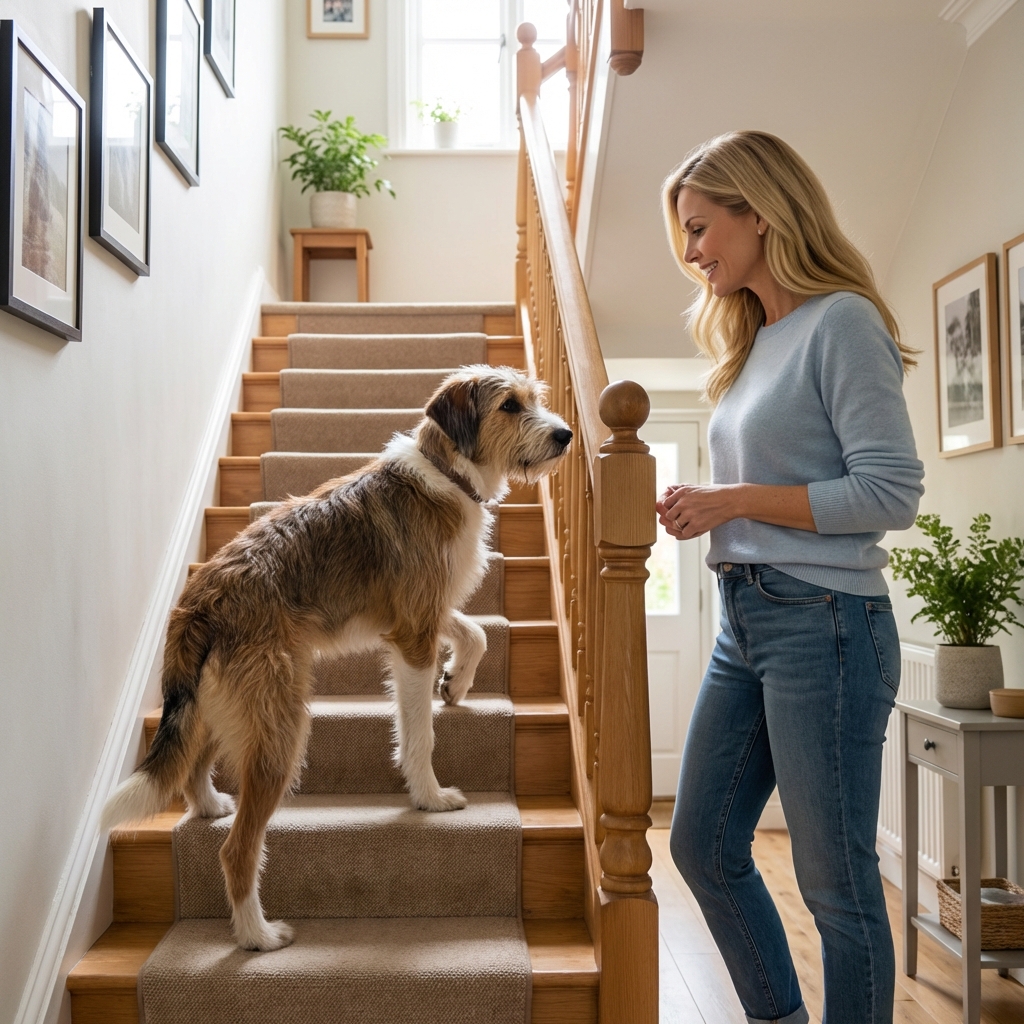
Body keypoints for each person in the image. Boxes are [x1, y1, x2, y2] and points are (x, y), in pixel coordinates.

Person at [656, 131, 924, 1024]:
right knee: (701, 844)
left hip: (828, 622)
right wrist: (716, 509)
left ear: (760, 212)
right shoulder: (754, 340)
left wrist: (733, 498)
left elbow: (889, 491)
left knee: (838, 890)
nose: (692, 253)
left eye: (701, 229)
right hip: (750, 618)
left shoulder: (842, 321)